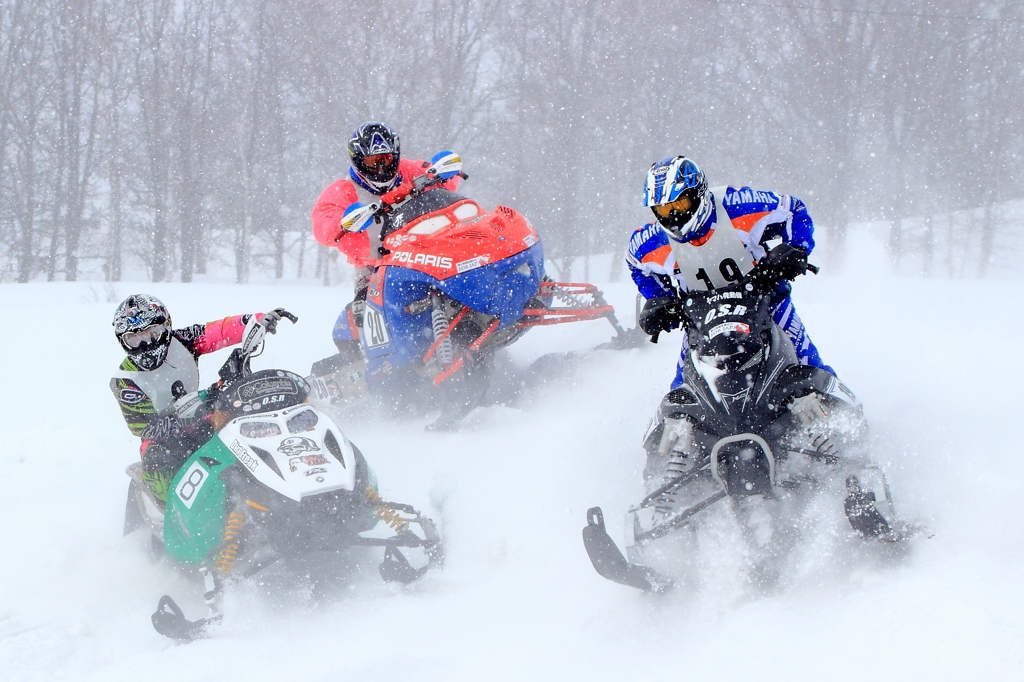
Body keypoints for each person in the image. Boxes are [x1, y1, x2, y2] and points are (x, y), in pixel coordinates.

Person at [626, 156, 835, 392]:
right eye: (664, 209)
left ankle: (834, 412)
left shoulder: (742, 205)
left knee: (806, 361)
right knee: (683, 387)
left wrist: (796, 249)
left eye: (680, 204)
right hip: (701, 318)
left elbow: (793, 209)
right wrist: (660, 299)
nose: (673, 215)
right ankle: (679, 426)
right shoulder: (648, 242)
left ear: (698, 194)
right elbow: (636, 264)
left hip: (766, 299)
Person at [110, 294, 289, 503]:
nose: (145, 345)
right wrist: (193, 416)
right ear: (123, 341)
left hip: (203, 418)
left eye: (152, 334)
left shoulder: (183, 341)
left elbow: (217, 331)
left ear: (166, 328)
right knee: (159, 467)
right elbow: (145, 428)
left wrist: (255, 322)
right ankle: (173, 512)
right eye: (134, 339)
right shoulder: (126, 380)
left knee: (245, 433)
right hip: (162, 441)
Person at [310, 121, 461, 354]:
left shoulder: (409, 170)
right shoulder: (343, 190)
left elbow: (439, 180)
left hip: (424, 255)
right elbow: (322, 224)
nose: (382, 167)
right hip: (374, 268)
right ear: (359, 160)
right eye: (374, 161)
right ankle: (378, 359)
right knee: (366, 314)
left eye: (388, 159)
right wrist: (342, 223)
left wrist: (446, 171)